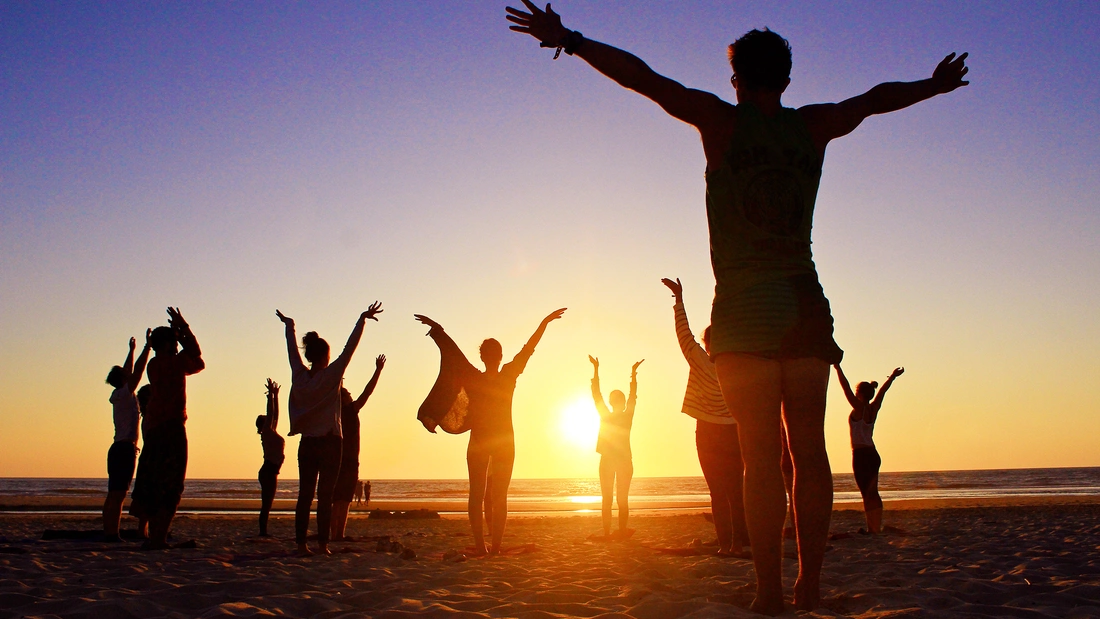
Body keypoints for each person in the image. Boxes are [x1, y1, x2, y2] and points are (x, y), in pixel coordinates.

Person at [505, 5, 968, 612]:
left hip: (746, 316)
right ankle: (810, 584)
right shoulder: (812, 126)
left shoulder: (719, 122)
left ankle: (769, 592)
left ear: (736, 79)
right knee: (809, 454)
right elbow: (873, 99)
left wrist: (569, 39)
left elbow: (644, 79)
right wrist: (932, 87)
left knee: (758, 459)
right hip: (803, 307)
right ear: (787, 77)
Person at [415, 308, 566, 555]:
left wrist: (438, 330)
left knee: (477, 494)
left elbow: (453, 353)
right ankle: (495, 547)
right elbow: (529, 348)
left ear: (483, 357)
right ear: (500, 356)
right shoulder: (509, 374)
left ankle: (481, 546)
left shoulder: (475, 377)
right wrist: (544, 323)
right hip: (504, 439)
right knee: (499, 496)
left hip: (481, 440)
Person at [277, 302, 382, 556]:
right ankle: (323, 545)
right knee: (324, 496)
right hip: (330, 443)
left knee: (305, 496)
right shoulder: (331, 375)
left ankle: (302, 544)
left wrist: (290, 327)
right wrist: (361, 320)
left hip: (308, 444)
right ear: (325, 356)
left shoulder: (300, 376)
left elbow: (293, 353)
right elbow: (350, 349)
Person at [661, 277, 749, 556]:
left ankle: (726, 545)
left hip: (709, 432)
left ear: (707, 344)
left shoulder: (700, 359)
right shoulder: (737, 365)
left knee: (718, 493)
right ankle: (737, 543)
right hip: (733, 431)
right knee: (736, 492)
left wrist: (679, 300)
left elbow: (683, 334)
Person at [129, 307, 205, 550]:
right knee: (172, 484)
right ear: (168, 344)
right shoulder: (173, 362)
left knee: (155, 481)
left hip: (156, 429)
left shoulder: (155, 364)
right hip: (171, 428)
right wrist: (183, 329)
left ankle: (155, 535)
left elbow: (196, 362)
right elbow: (196, 355)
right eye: (173, 343)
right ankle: (158, 538)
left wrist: (177, 334)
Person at [835, 365, 904, 534]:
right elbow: (883, 391)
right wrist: (892, 377)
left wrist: (837, 368)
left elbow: (845, 388)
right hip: (872, 454)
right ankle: (875, 527)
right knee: (873, 492)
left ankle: (871, 528)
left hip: (861, 455)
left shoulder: (858, 408)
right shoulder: (873, 408)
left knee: (866, 494)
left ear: (859, 393)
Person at [102, 331, 152, 542]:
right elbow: (137, 373)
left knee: (113, 493)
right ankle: (113, 534)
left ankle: (110, 532)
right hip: (124, 449)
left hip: (118, 448)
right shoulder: (124, 393)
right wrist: (146, 348)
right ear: (123, 379)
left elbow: (130, 371)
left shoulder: (120, 395)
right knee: (118, 495)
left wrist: (131, 351)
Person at [331, 354, 386, 541]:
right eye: (347, 394)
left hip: (348, 460)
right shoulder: (345, 411)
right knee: (340, 500)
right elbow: (367, 392)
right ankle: (335, 533)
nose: (350, 396)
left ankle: (338, 534)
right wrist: (377, 371)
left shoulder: (339, 413)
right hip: (342, 460)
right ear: (342, 398)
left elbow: (366, 393)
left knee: (343, 500)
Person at [588, 355, 642, 540]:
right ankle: (618, 531)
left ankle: (609, 532)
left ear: (612, 402)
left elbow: (596, 394)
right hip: (621, 460)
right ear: (622, 402)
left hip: (614, 460)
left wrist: (596, 369)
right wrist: (633, 375)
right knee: (620, 499)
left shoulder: (608, 415)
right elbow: (632, 397)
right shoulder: (624, 415)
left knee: (609, 499)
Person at [256, 378, 285, 537]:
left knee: (268, 502)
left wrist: (276, 396)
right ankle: (263, 531)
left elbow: (276, 415)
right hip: (269, 470)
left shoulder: (271, 432)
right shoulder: (267, 432)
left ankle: (263, 530)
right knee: (266, 503)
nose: (271, 420)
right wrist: (270, 397)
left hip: (271, 470)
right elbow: (272, 413)